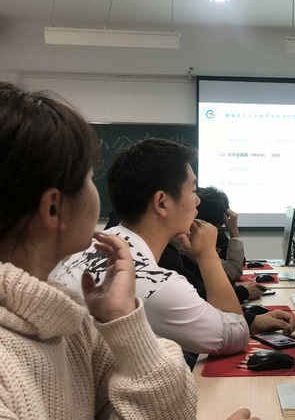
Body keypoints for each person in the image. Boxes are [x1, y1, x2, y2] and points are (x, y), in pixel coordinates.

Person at [0, 82, 203, 419]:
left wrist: (124, 321)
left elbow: (172, 412)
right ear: (53, 208)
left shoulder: (68, 321)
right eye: (89, 179)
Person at [55, 138, 295, 359]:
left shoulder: (90, 247)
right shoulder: (158, 285)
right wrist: (207, 255)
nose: (198, 201)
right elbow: (236, 334)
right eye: (193, 190)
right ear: (162, 203)